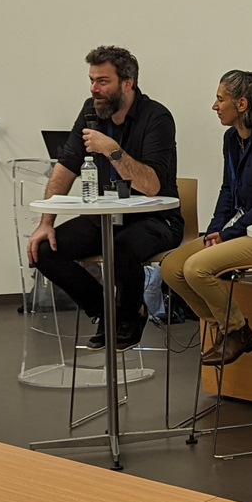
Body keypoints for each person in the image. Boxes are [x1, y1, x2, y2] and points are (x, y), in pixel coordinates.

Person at [27, 45, 183, 351]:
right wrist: (46, 222)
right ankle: (105, 313)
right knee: (44, 249)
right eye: (91, 80)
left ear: (127, 83)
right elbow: (66, 167)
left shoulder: (157, 117)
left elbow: (152, 186)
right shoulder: (90, 111)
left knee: (121, 248)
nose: (94, 89)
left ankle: (130, 315)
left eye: (102, 81)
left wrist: (111, 149)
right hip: (107, 216)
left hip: (156, 218)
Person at [159, 71, 252, 367]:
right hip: (240, 232)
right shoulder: (231, 139)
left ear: (242, 104)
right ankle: (228, 328)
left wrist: (228, 234)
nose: (214, 106)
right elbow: (226, 191)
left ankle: (235, 330)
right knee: (170, 267)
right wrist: (215, 230)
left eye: (220, 99)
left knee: (196, 269)